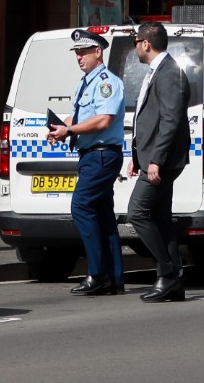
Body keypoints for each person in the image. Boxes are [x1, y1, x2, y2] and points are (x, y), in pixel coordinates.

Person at [47, 28, 127, 295]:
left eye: (83, 52)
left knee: (81, 206)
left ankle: (97, 274)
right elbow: (77, 119)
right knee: (103, 215)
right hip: (92, 154)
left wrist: (69, 131)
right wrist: (60, 128)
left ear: (98, 52)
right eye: (76, 53)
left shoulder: (106, 82)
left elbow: (104, 120)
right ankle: (113, 278)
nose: (78, 57)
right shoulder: (84, 82)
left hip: (102, 154)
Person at [127, 21, 192, 302]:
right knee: (161, 218)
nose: (135, 48)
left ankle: (166, 273)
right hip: (153, 157)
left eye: (135, 42)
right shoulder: (159, 71)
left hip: (163, 160)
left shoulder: (170, 73)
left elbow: (170, 121)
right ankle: (174, 281)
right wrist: (137, 156)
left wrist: (155, 161)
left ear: (146, 43)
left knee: (137, 212)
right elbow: (148, 118)